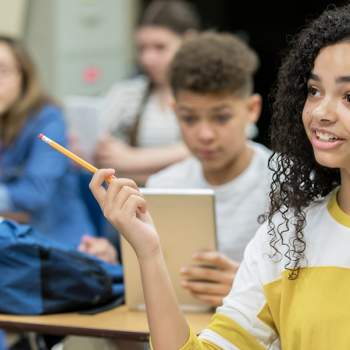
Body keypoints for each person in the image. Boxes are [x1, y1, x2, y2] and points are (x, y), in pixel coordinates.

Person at [89, 4, 350, 349]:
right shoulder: (287, 233)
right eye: (314, 91)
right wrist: (149, 255)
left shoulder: (281, 198)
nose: (320, 111)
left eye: (349, 96)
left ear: (250, 109)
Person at [146, 32, 271, 306]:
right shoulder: (160, 188)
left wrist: (254, 291)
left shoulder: (287, 183)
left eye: (221, 117)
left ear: (252, 109)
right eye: (189, 118)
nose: (204, 134)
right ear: (174, 111)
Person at [0, 36, 96, 247]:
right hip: (13, 245)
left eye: (3, 71)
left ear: (23, 75)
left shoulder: (49, 120)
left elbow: (34, 193)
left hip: (59, 248)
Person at [94, 0, 201, 186]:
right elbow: (93, 144)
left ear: (189, 41)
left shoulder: (208, 93)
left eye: (160, 47)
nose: (147, 59)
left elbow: (212, 147)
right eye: (142, 48)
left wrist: (132, 159)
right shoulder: (127, 93)